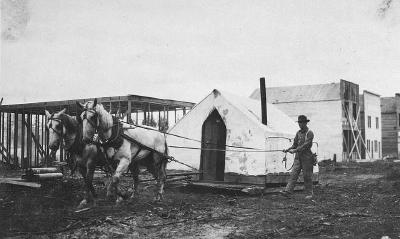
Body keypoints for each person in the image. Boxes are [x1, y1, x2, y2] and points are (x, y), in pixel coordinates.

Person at [281, 115, 315, 199]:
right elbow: (295, 144)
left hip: (307, 157)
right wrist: (288, 149)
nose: (300, 124)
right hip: (298, 157)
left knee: (307, 176)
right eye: (299, 122)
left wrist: (295, 150)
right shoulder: (298, 133)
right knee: (293, 174)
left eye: (301, 123)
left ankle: (309, 194)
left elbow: (305, 145)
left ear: (305, 123)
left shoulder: (309, 133)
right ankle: (288, 191)